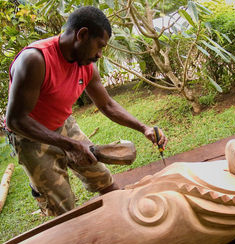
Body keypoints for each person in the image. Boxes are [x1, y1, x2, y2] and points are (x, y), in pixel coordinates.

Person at [5, 6, 167, 216]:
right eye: (99, 46)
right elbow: (16, 120)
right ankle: (41, 192)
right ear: (81, 35)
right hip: (31, 136)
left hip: (64, 125)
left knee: (104, 179)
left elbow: (107, 104)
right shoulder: (36, 60)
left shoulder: (87, 65)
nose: (100, 54)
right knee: (63, 209)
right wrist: (70, 146)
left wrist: (143, 128)